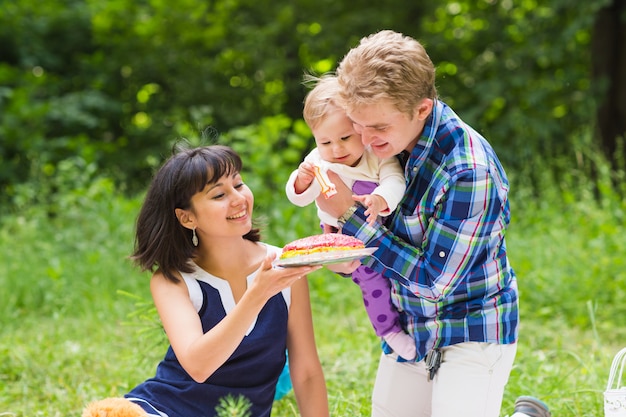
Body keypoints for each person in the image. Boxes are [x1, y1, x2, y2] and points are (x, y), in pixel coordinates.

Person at [315, 30, 519, 417]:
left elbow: (432, 284)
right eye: (358, 124)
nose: (364, 139)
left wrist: (350, 217)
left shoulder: (468, 171)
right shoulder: (379, 147)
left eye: (378, 128)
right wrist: (343, 254)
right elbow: (375, 248)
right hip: (411, 326)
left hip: (470, 324)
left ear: (422, 109)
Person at [87, 144, 329, 417]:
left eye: (238, 184)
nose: (238, 198)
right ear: (187, 217)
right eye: (219, 195)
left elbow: (306, 371)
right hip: (165, 409)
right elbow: (199, 366)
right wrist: (257, 294)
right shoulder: (173, 279)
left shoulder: (284, 264)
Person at [285, 74, 416, 360]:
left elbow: (395, 180)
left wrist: (381, 197)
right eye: (325, 141)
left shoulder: (376, 155)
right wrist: (301, 181)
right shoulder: (317, 161)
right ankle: (389, 330)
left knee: (399, 276)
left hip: (383, 227)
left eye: (345, 137)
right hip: (341, 233)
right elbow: (300, 197)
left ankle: (411, 318)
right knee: (372, 282)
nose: (336, 149)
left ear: (360, 128)